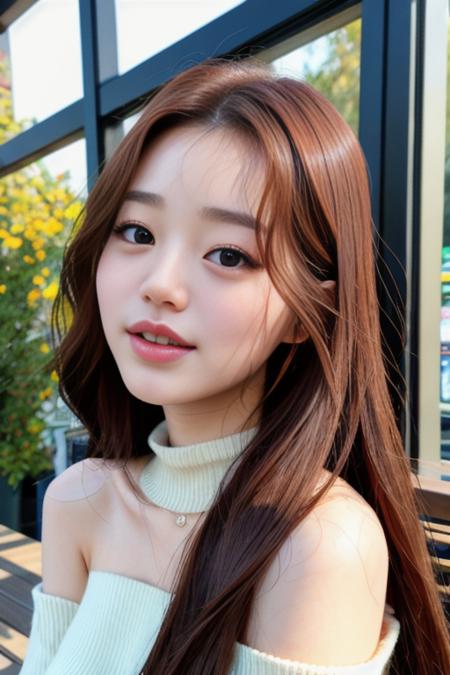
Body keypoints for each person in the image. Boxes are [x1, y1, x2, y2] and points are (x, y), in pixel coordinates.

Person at [20, 57, 449, 675]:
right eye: (137, 232)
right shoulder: (80, 501)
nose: (162, 285)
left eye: (228, 254)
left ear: (308, 315)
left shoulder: (314, 544)